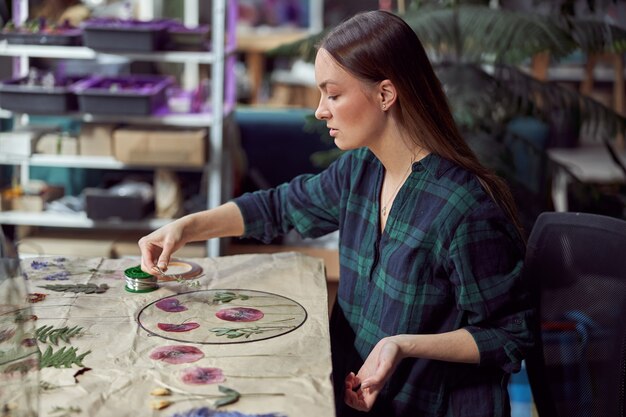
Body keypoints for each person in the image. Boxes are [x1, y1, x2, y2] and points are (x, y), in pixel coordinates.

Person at [138, 10, 534, 417]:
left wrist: (401, 344)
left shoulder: (464, 207)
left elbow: (511, 334)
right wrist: (186, 227)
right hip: (349, 398)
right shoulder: (360, 171)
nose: (320, 110)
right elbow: (280, 206)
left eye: (333, 94)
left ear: (385, 94)